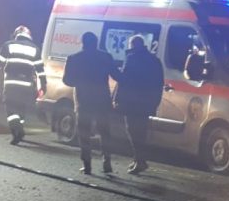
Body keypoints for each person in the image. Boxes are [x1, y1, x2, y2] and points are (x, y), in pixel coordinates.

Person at [63, 32, 119, 175]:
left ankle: (87, 164)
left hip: (84, 101)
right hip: (102, 100)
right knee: (105, 132)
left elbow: (67, 80)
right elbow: (117, 75)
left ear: (83, 42)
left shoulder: (74, 58)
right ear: (96, 42)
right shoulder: (106, 57)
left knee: (84, 133)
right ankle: (107, 161)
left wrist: (80, 81)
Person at [113, 35, 164, 174]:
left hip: (132, 102)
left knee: (133, 131)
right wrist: (155, 102)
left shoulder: (132, 58)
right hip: (146, 102)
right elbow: (159, 83)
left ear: (132, 45)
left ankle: (140, 161)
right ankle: (138, 159)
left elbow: (124, 80)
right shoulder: (154, 60)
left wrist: (116, 97)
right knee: (141, 131)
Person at [0, 25, 46, 145]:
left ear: (16, 34)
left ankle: (18, 131)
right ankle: (19, 129)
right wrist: (43, 85)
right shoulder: (35, 49)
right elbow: (40, 69)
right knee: (21, 108)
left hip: (11, 84)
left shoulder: (9, 45)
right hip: (27, 85)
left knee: (11, 109)